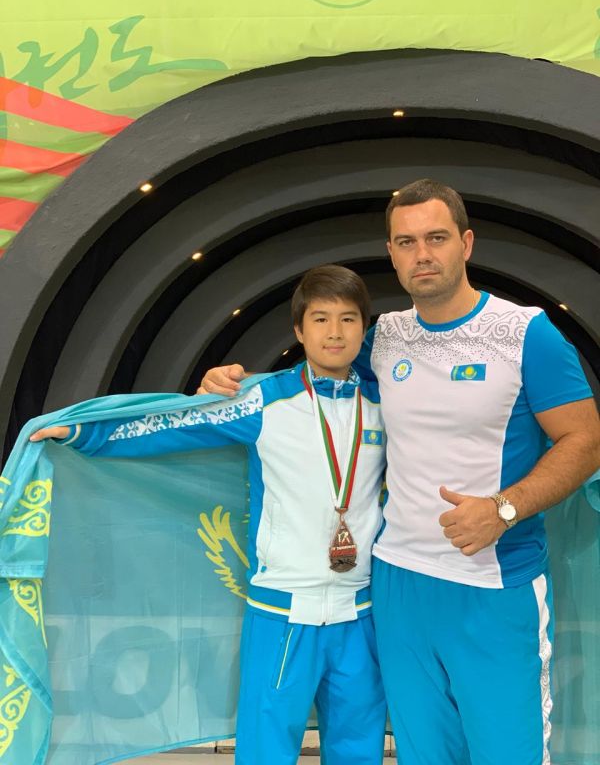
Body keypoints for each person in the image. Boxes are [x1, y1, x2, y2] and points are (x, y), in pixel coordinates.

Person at [199, 180, 600, 765]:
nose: (422, 254)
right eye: (406, 242)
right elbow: (319, 375)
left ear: (466, 243)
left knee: (507, 754)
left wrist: (503, 509)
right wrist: (232, 382)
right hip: (397, 584)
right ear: (391, 253)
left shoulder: (526, 334)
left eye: (436, 238)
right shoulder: (385, 337)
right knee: (424, 754)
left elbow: (585, 440)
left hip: (493, 584)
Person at [30, 265, 388, 765]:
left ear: (363, 329)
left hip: (360, 610)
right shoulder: (263, 400)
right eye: (321, 319)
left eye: (348, 319)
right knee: (266, 750)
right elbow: (173, 425)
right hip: (282, 611)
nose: (335, 332)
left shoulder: (387, 405)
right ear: (299, 330)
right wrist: (86, 434)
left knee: (359, 749)